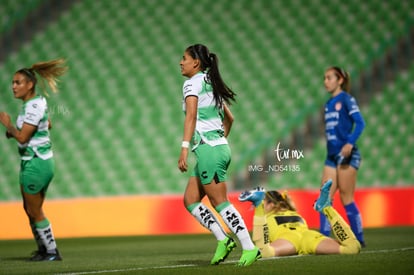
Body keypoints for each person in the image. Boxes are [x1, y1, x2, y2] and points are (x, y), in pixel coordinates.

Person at [177, 44, 260, 267]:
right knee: (191, 200)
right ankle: (223, 239)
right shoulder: (210, 83)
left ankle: (250, 247)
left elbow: (191, 116)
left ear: (196, 62)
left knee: (219, 201)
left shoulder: (191, 83)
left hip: (209, 150)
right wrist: (219, 141)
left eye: (184, 58)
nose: (180, 62)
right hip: (215, 148)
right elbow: (230, 118)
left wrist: (185, 147)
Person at [0, 58, 67, 261]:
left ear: (30, 84)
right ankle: (44, 250)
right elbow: (48, 124)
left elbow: (22, 137)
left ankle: (52, 251)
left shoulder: (32, 107)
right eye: (12, 82)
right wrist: (19, 131)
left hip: (37, 163)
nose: (13, 86)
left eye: (17, 82)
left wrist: (8, 125)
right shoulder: (36, 103)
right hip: (34, 161)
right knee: (29, 209)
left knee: (35, 210)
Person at [239, 179, 361, 257]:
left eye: (263, 204)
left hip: (287, 239)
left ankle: (258, 201)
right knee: (352, 248)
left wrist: (259, 210)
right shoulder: (295, 213)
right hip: (309, 236)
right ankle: (326, 208)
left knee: (265, 252)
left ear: (271, 205)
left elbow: (262, 243)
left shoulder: (267, 217)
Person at [320, 66, 366, 246]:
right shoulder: (328, 104)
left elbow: (360, 123)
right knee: (324, 198)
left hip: (346, 154)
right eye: (324, 78)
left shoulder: (346, 99)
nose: (326, 81)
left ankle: (359, 240)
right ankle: (323, 238)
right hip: (331, 156)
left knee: (346, 198)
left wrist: (350, 142)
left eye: (329, 78)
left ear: (340, 80)